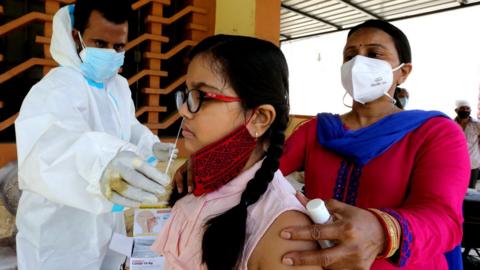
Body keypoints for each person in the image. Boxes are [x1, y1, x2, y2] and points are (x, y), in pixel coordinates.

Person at [278, 20, 469, 269]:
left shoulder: (435, 131)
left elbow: (443, 219)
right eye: (350, 55)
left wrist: (383, 230)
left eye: (374, 54)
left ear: (404, 71)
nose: (358, 63)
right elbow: (263, 170)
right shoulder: (317, 130)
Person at [14, 1, 176, 269]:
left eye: (119, 47)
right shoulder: (56, 88)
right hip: (59, 234)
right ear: (76, 36)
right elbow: (50, 150)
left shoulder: (117, 87)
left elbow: (127, 129)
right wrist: (103, 165)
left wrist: (150, 146)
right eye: (100, 44)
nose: (110, 53)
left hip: (104, 225)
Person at [151, 34, 320, 270]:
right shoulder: (199, 180)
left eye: (202, 96)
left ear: (259, 118)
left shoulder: (286, 234)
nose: (183, 111)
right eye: (188, 94)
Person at [454, 100, 480, 189]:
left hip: (473, 164)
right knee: (457, 188)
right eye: (462, 108)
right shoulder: (451, 124)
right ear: (456, 110)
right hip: (456, 164)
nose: (465, 110)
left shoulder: (477, 125)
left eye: (467, 108)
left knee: (471, 192)